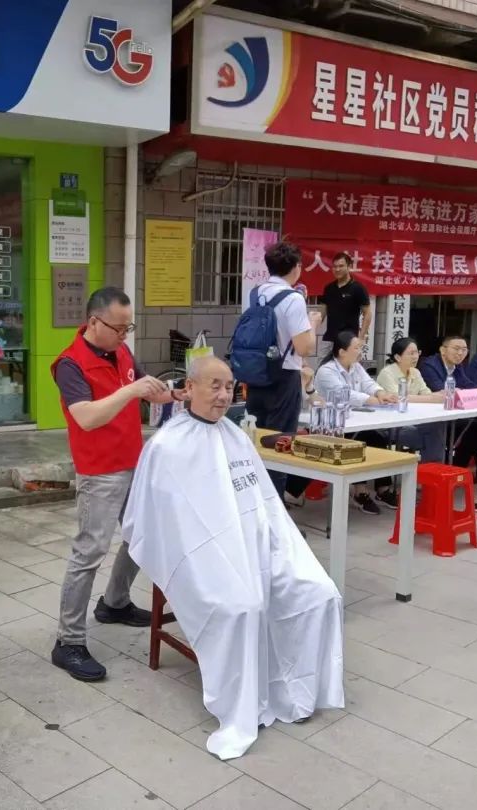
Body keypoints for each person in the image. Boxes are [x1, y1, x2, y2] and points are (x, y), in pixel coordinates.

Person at [123, 356, 343, 760]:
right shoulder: (167, 446)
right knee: (243, 606)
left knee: (319, 592)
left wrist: (268, 547)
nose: (224, 395)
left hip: (257, 547)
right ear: (189, 388)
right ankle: (243, 703)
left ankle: (297, 687)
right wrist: (219, 554)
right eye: (215, 386)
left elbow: (264, 506)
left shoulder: (237, 438)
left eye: (229, 387)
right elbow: (167, 522)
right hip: (203, 557)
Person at [50, 286, 184, 681]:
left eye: (129, 328)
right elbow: (87, 417)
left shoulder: (121, 351)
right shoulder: (70, 364)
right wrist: (131, 390)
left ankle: (115, 602)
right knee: (89, 552)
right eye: (118, 328)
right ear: (94, 322)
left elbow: (149, 390)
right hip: (100, 471)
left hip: (133, 463)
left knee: (142, 534)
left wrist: (176, 393)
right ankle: (68, 641)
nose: (124, 335)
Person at [243, 241, 323, 493]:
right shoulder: (293, 298)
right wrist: (313, 323)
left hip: (255, 374)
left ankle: (256, 500)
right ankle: (275, 505)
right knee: (280, 443)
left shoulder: (255, 293)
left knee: (257, 439)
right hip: (283, 377)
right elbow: (304, 348)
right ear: (297, 267)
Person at [313, 331, 399, 514]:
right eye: (357, 348)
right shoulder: (326, 370)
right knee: (361, 442)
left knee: (378, 439)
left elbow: (369, 383)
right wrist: (373, 400)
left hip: (355, 421)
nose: (360, 351)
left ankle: (383, 489)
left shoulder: (356, 366)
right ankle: (360, 491)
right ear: (342, 352)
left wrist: (381, 393)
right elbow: (344, 393)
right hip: (331, 425)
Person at [420, 335, 477, 469]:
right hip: (431, 418)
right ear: (443, 350)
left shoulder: (457, 366)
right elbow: (440, 390)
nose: (460, 353)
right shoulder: (429, 365)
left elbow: (468, 385)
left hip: (450, 413)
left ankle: (460, 468)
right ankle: (454, 466)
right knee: (475, 427)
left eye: (464, 350)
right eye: (456, 349)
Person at [375, 337, 447, 464]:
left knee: (437, 427)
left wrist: (441, 395)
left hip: (412, 419)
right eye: (411, 353)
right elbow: (398, 398)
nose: (415, 357)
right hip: (391, 424)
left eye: (417, 353)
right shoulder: (387, 373)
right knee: (433, 435)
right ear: (398, 357)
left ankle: (430, 469)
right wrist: (432, 398)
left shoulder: (415, 372)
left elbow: (426, 394)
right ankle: (430, 469)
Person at [321, 251, 371, 348]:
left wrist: (361, 338)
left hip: (349, 340)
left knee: (349, 359)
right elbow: (322, 313)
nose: (337, 269)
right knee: (322, 358)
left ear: (349, 267)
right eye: (335, 266)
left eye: (341, 266)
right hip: (329, 338)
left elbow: (368, 314)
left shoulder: (358, 288)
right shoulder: (328, 288)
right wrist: (312, 325)